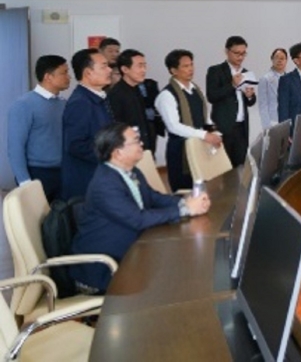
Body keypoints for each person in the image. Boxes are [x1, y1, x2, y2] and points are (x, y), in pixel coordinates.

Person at [70, 123, 210, 294]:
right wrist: (185, 210)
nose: (142, 143)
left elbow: (153, 197)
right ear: (118, 152)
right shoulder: (105, 184)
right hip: (105, 269)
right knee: (172, 279)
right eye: (136, 141)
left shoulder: (130, 171)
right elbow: (138, 219)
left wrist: (185, 202)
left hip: (132, 253)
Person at [155, 49, 223, 191]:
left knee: (206, 189)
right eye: (185, 66)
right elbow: (174, 126)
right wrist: (204, 135)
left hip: (200, 146)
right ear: (173, 70)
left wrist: (214, 132)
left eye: (191, 64)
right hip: (180, 151)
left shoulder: (195, 90)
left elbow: (205, 117)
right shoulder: (167, 95)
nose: (191, 69)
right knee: (186, 192)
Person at [6, 55, 70, 202]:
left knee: (61, 215)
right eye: (64, 73)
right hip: (38, 174)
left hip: (62, 172)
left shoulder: (63, 104)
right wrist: (24, 182)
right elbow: (15, 147)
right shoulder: (24, 105)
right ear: (48, 77)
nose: (68, 77)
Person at [61, 48, 114, 199]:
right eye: (104, 66)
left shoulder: (98, 98)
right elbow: (75, 145)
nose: (110, 70)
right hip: (86, 182)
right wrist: (112, 155)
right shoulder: (80, 103)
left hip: (100, 177)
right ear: (88, 73)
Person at [206, 36, 256, 167]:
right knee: (223, 166)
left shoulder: (246, 73)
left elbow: (250, 102)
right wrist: (232, 85)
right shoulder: (215, 71)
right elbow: (212, 96)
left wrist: (250, 96)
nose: (240, 57)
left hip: (241, 127)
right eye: (237, 53)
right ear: (227, 51)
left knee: (240, 165)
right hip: (223, 127)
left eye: (243, 53)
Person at [108, 49, 155, 153]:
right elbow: (118, 127)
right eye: (139, 66)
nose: (144, 70)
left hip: (142, 147)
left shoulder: (136, 89)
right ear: (125, 69)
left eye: (144, 66)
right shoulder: (116, 94)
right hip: (127, 149)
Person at [257, 48, 288, 128]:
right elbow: (263, 105)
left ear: (286, 61)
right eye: (276, 58)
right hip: (273, 121)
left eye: (282, 58)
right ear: (272, 59)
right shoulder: (265, 79)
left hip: (288, 120)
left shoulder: (290, 79)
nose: (279, 60)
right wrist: (267, 126)